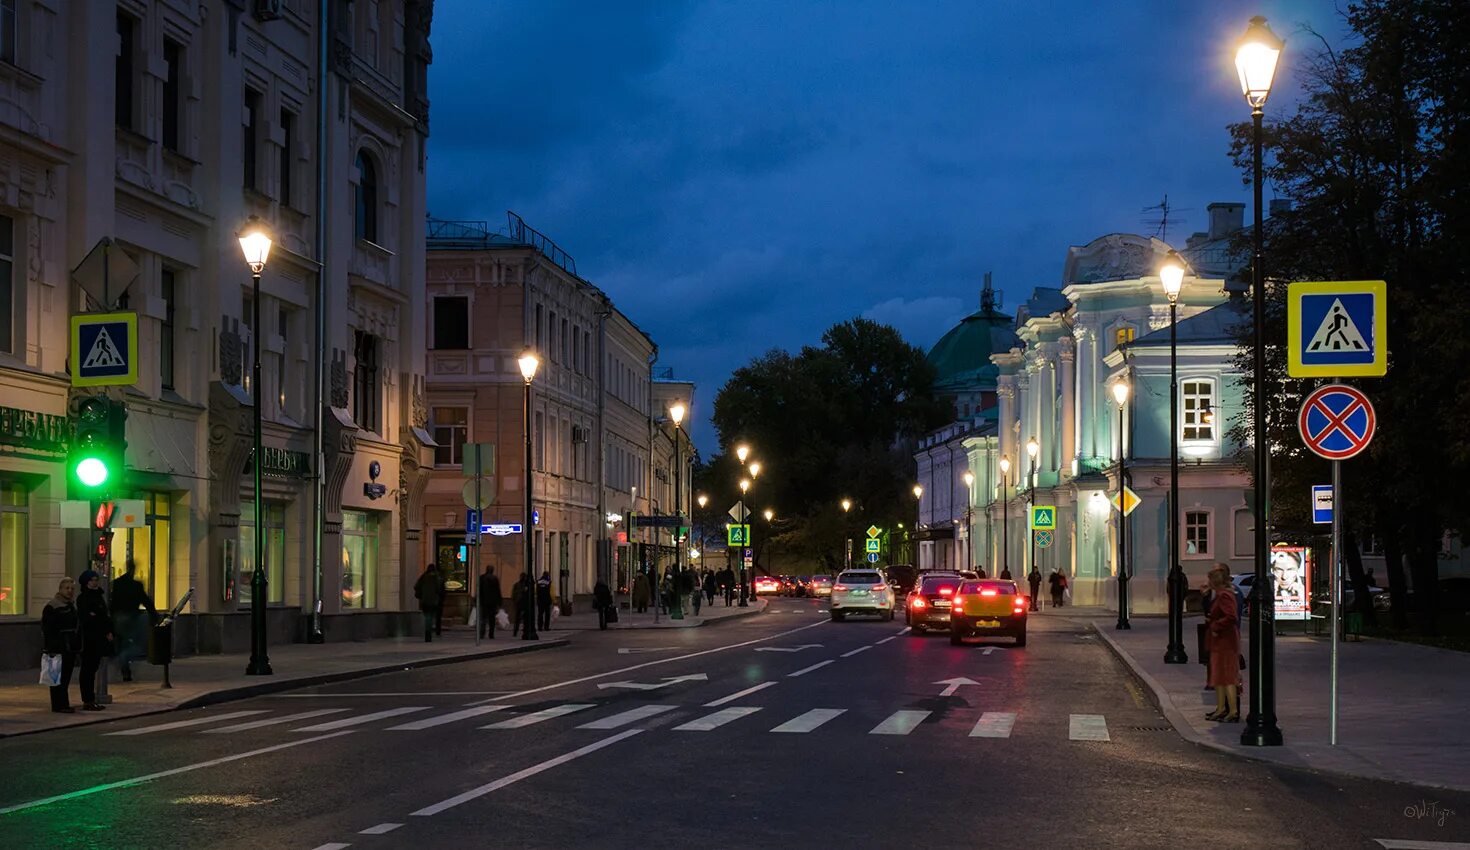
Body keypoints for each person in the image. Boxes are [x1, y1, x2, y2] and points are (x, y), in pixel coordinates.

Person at [1205, 566, 1242, 722]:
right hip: (1220, 641)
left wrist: (1215, 626)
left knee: (1227, 676)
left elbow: (1231, 616)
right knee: (1218, 675)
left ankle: (1232, 711)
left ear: (1215, 581)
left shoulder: (1225, 595)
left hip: (1225, 641)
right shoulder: (1221, 594)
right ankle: (1220, 709)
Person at [110, 559, 156, 682]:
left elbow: (112, 602)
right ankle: (123, 660)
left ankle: (123, 665)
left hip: (119, 617)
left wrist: (111, 617)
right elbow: (146, 601)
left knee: (122, 642)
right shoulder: (136, 585)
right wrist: (154, 615)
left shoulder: (117, 583)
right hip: (131, 616)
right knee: (134, 644)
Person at [41, 577, 81, 713]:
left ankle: (63, 703)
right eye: (67, 588)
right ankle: (59, 705)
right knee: (57, 677)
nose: (70, 591)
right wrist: (52, 647)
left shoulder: (71, 606)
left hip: (69, 646)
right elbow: (48, 629)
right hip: (57, 646)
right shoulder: (53, 606)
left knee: (65, 676)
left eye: (72, 589)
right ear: (60, 589)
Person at [75, 570, 113, 711]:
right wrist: (96, 618)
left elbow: (103, 616)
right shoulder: (83, 598)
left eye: (96, 579)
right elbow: (88, 618)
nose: (95, 582)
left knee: (93, 668)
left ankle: (91, 699)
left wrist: (108, 630)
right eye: (92, 580)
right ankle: (88, 699)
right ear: (86, 582)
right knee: (88, 670)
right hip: (89, 639)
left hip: (99, 638)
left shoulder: (99, 596)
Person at [414, 564, 444, 642]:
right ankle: (429, 631)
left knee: (427, 616)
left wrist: (421, 594)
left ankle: (427, 632)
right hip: (434, 601)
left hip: (425, 600)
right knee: (431, 617)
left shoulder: (424, 577)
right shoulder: (437, 578)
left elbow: (416, 586)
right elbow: (440, 589)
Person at [478, 566, 502, 640]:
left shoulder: (482, 578)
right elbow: (498, 591)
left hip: (484, 601)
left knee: (483, 618)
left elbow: (479, 590)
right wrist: (499, 602)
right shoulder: (494, 579)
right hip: (492, 602)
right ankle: (491, 634)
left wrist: (477, 600)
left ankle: (482, 633)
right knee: (492, 619)